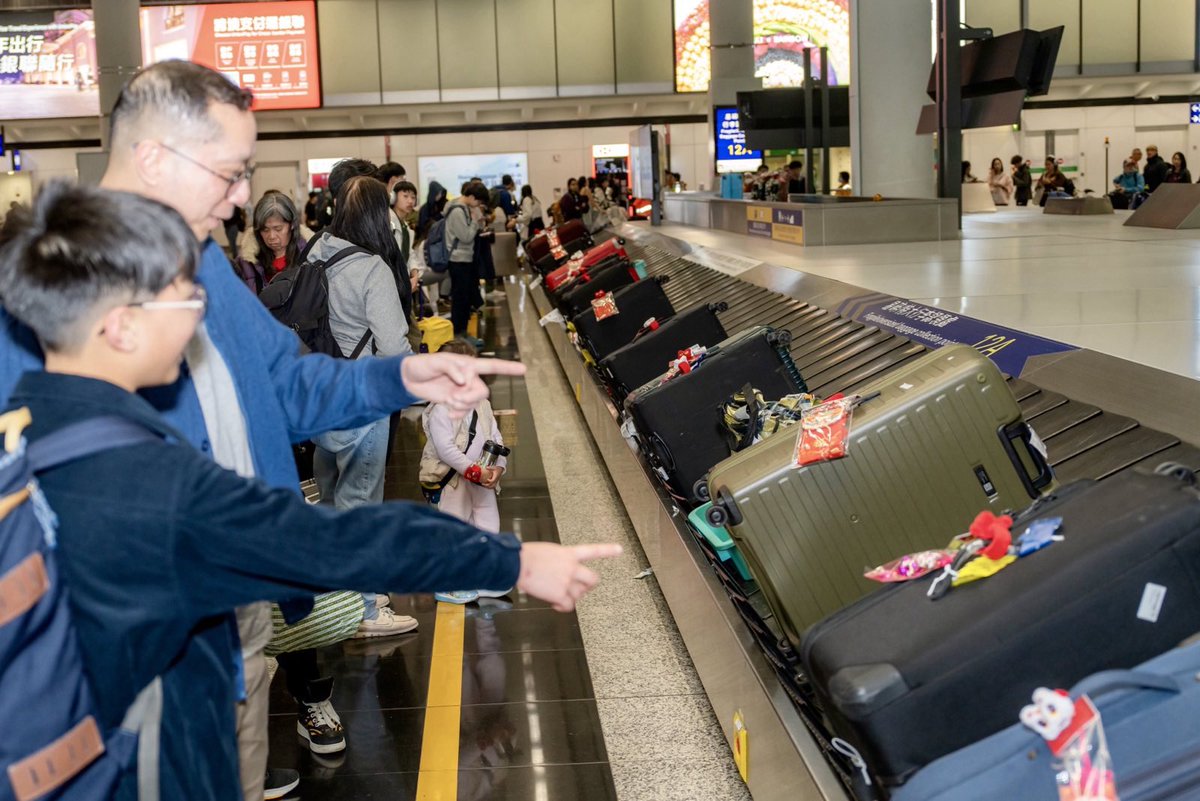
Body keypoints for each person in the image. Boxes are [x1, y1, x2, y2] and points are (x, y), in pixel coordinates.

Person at [0, 60, 546, 801]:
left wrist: (395, 378)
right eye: (229, 172)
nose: (242, 198)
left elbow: (283, 382)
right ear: (155, 158)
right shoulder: (44, 290)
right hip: (113, 660)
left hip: (235, 619)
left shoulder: (205, 265)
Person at [420, 338, 510, 604]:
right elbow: (445, 449)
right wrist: (472, 471)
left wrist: (498, 468)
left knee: (487, 523)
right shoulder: (441, 410)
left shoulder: (481, 403)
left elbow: (496, 436)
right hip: (452, 482)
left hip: (482, 481)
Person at [445, 183, 488, 346]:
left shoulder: (464, 208)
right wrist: (476, 221)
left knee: (464, 298)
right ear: (471, 197)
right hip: (458, 260)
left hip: (465, 259)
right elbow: (466, 236)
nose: (478, 205)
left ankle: (462, 334)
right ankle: (459, 335)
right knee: (460, 299)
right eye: (478, 202)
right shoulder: (457, 210)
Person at [237, 191, 306, 294]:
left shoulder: (310, 256)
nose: (271, 236)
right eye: (265, 230)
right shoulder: (247, 262)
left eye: (278, 229)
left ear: (292, 225)